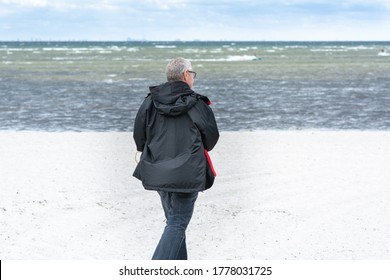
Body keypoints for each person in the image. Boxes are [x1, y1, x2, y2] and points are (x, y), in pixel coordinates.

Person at [133, 57, 219, 260]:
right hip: (187, 173)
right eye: (193, 73)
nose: (193, 77)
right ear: (185, 75)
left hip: (158, 170)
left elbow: (139, 136)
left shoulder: (150, 102)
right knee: (177, 223)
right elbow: (211, 138)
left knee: (174, 223)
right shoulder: (197, 104)